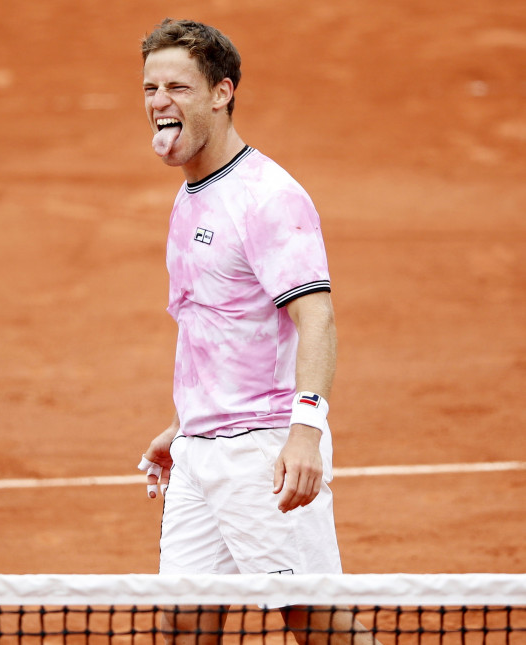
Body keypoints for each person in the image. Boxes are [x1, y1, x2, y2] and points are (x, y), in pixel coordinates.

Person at [136, 18, 381, 645]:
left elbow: (316, 318)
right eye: (150, 88)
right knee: (185, 624)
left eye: (178, 88)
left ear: (222, 92)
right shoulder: (192, 194)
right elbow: (216, 325)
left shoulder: (269, 198)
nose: (159, 102)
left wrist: (305, 433)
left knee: (317, 625)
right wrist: (184, 423)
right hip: (200, 453)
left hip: (263, 453)